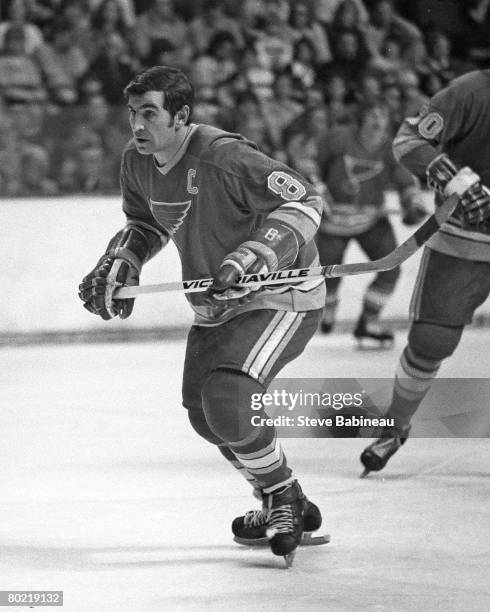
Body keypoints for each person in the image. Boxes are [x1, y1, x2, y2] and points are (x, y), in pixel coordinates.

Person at [78, 65, 326, 563]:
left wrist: (255, 253)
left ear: (181, 115)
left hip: (281, 293)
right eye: (132, 114)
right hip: (216, 304)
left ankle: (278, 497)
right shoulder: (136, 160)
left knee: (228, 396)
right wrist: (122, 261)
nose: (138, 125)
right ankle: (287, 494)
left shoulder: (223, 155)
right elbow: (145, 222)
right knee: (204, 416)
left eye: (149, 113)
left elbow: (306, 203)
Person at [361, 69, 490, 474]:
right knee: (430, 339)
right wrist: (456, 180)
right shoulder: (472, 92)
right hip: (466, 237)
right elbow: (409, 139)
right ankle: (395, 424)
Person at [316, 101, 426, 346]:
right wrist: (317, 188)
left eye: (383, 115)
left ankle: (368, 321)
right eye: (373, 114)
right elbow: (313, 164)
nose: (377, 120)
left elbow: (404, 180)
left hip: (371, 219)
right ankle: (327, 309)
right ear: (361, 119)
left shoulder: (390, 146)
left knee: (391, 269)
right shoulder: (338, 138)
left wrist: (413, 203)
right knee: (328, 274)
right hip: (334, 219)